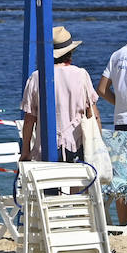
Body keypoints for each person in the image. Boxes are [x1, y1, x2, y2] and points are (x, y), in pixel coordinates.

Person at [18, 26, 99, 162]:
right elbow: (93, 114)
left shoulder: (36, 77)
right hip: (75, 146)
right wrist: (98, 146)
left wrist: (25, 151)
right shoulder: (81, 75)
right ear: (70, 52)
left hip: (45, 148)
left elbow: (29, 119)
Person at [95, 39, 127, 226]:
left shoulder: (117, 55)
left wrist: (120, 104)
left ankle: (124, 224)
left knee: (122, 176)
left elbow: (102, 89)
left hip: (122, 121)